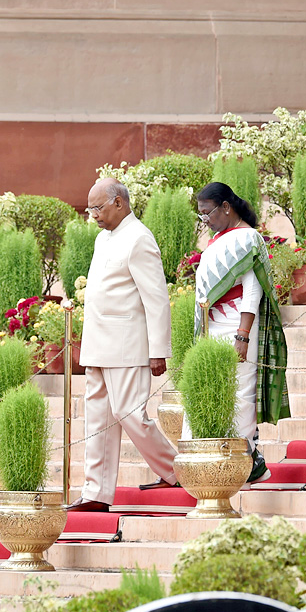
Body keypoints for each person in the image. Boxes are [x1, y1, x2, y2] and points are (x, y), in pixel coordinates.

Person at [67, 178, 179, 512]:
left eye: (98, 208)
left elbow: (156, 298)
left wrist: (158, 350)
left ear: (119, 203)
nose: (94, 216)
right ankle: (95, 493)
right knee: (97, 419)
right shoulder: (103, 239)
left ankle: (178, 470)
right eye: (90, 210)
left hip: (129, 345)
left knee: (130, 415)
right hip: (98, 346)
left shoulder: (140, 238)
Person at [191, 182, 291, 483]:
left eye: (207, 213)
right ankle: (242, 461)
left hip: (238, 324)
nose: (204, 220)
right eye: (200, 215)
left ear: (226, 207)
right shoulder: (219, 239)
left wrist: (243, 335)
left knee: (242, 395)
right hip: (214, 325)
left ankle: (246, 463)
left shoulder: (248, 238)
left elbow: (253, 290)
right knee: (221, 394)